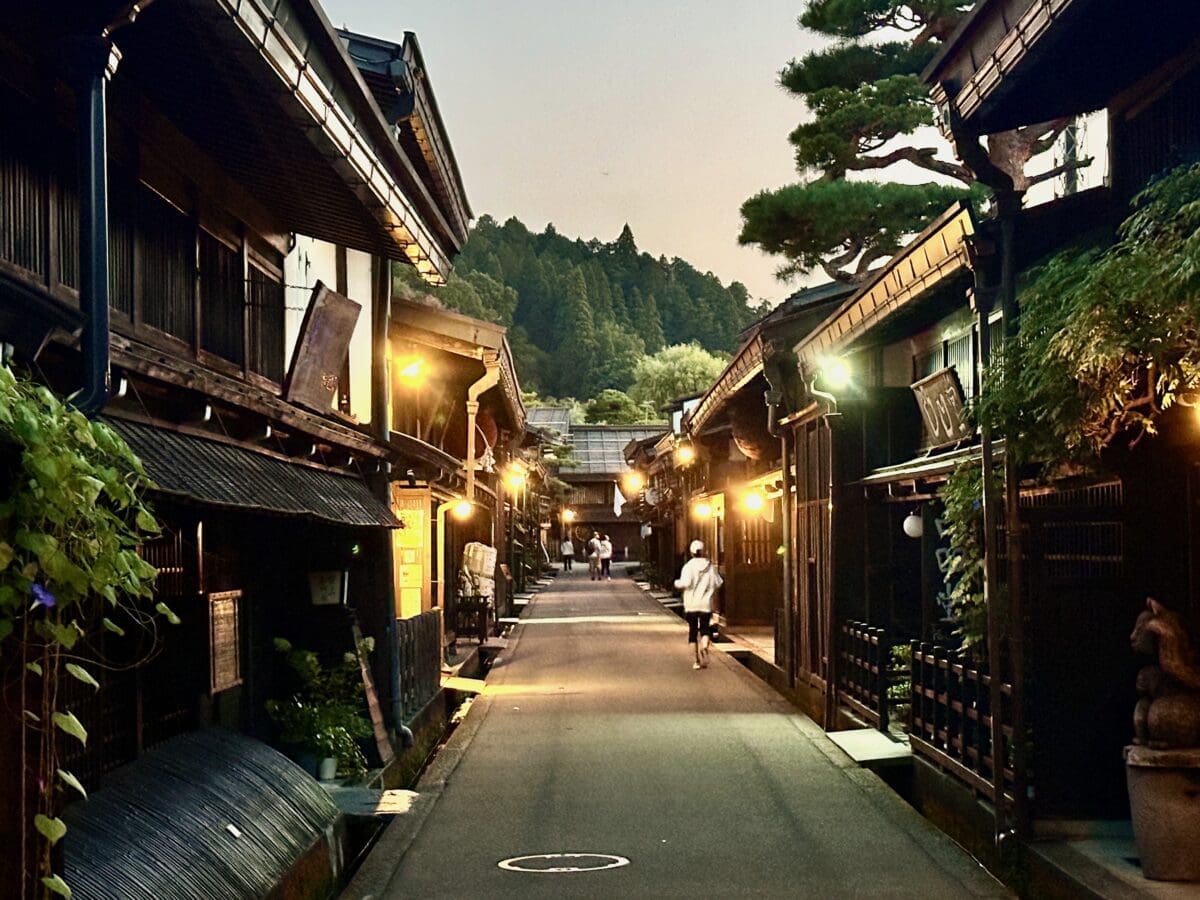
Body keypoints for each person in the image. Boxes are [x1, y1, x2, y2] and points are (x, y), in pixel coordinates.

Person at [675, 539, 723, 669]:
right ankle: (705, 646)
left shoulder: (688, 566)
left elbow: (685, 583)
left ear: (691, 552)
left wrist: (676, 583)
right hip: (705, 604)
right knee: (705, 628)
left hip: (691, 604)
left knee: (693, 631)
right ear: (703, 551)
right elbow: (719, 582)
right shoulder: (710, 567)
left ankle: (696, 661)